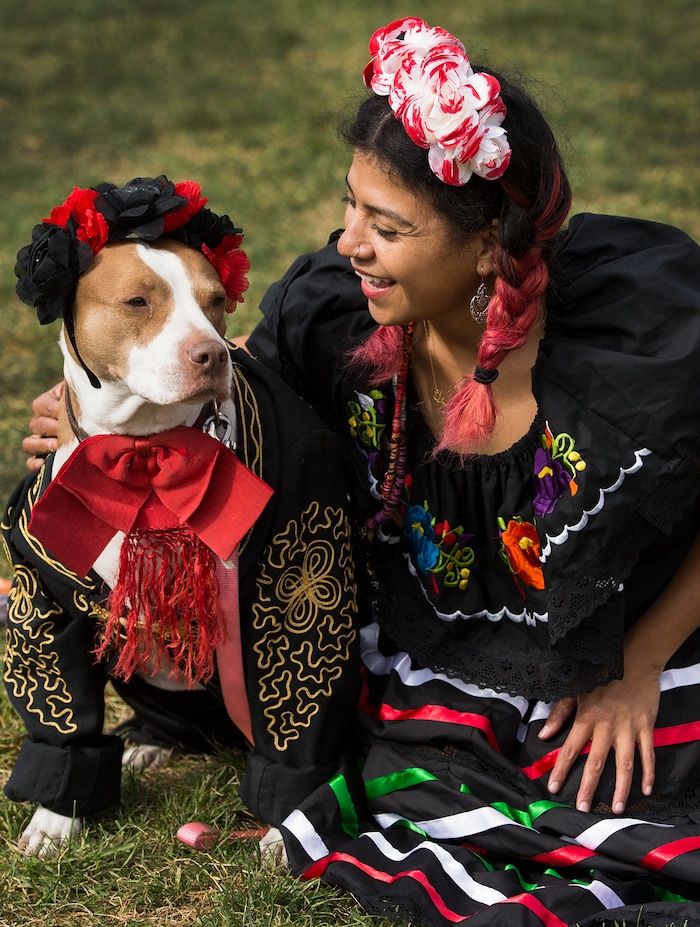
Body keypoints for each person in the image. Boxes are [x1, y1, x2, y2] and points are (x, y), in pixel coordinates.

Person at [21, 20, 700, 926]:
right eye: (350, 208)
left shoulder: (629, 340)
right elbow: (223, 388)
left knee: (643, 786)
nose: (349, 242)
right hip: (440, 648)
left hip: (637, 633)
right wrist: (92, 411)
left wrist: (640, 665)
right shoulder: (335, 323)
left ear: (491, 245)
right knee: (412, 774)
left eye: (386, 226)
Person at [3, 176, 359, 855]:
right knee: (46, 593)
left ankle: (291, 783)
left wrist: (296, 799)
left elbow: (310, 619)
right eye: (140, 302)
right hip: (159, 692)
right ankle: (134, 740)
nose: (203, 342)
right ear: (71, 314)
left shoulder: (287, 454)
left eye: (210, 306)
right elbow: (42, 623)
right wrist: (62, 779)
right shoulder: (55, 473)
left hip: (272, 688)